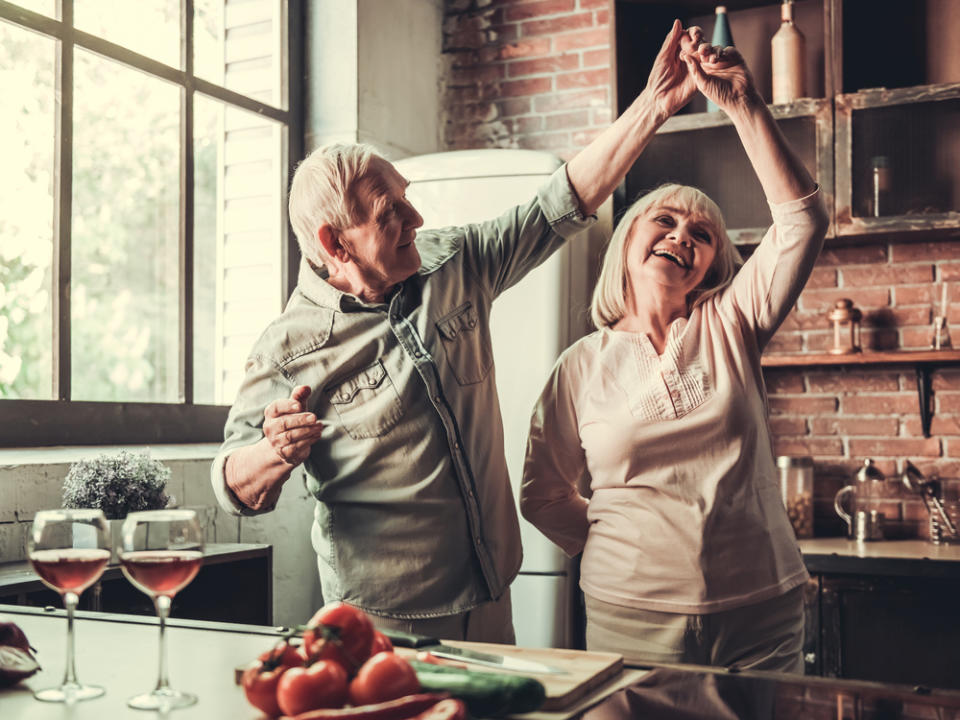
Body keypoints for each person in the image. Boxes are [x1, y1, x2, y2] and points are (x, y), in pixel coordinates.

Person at [211, 21, 706, 642]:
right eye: (392, 213)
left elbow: (561, 200)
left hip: (494, 591)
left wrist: (654, 106)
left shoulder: (455, 263)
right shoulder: (286, 348)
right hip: (384, 620)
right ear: (334, 244)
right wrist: (272, 452)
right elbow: (234, 486)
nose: (418, 218)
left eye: (407, 198)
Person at [520, 41, 829, 670]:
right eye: (664, 221)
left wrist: (743, 106)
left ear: (713, 263)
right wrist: (626, 549)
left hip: (758, 612)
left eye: (702, 235)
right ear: (628, 240)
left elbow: (800, 222)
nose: (681, 237)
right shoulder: (580, 365)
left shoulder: (733, 321)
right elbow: (543, 495)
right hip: (627, 616)